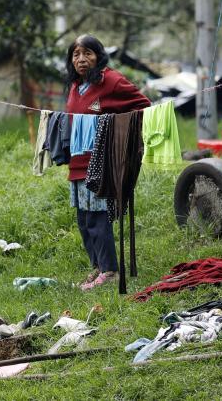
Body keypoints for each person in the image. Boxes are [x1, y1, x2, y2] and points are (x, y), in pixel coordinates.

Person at [65, 34, 150, 291]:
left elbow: (143, 105)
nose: (81, 59)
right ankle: (98, 267)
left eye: (88, 53)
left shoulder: (111, 81)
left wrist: (115, 129)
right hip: (77, 162)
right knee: (83, 219)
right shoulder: (75, 85)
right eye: (76, 54)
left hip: (100, 162)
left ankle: (110, 270)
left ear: (98, 56)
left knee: (97, 218)